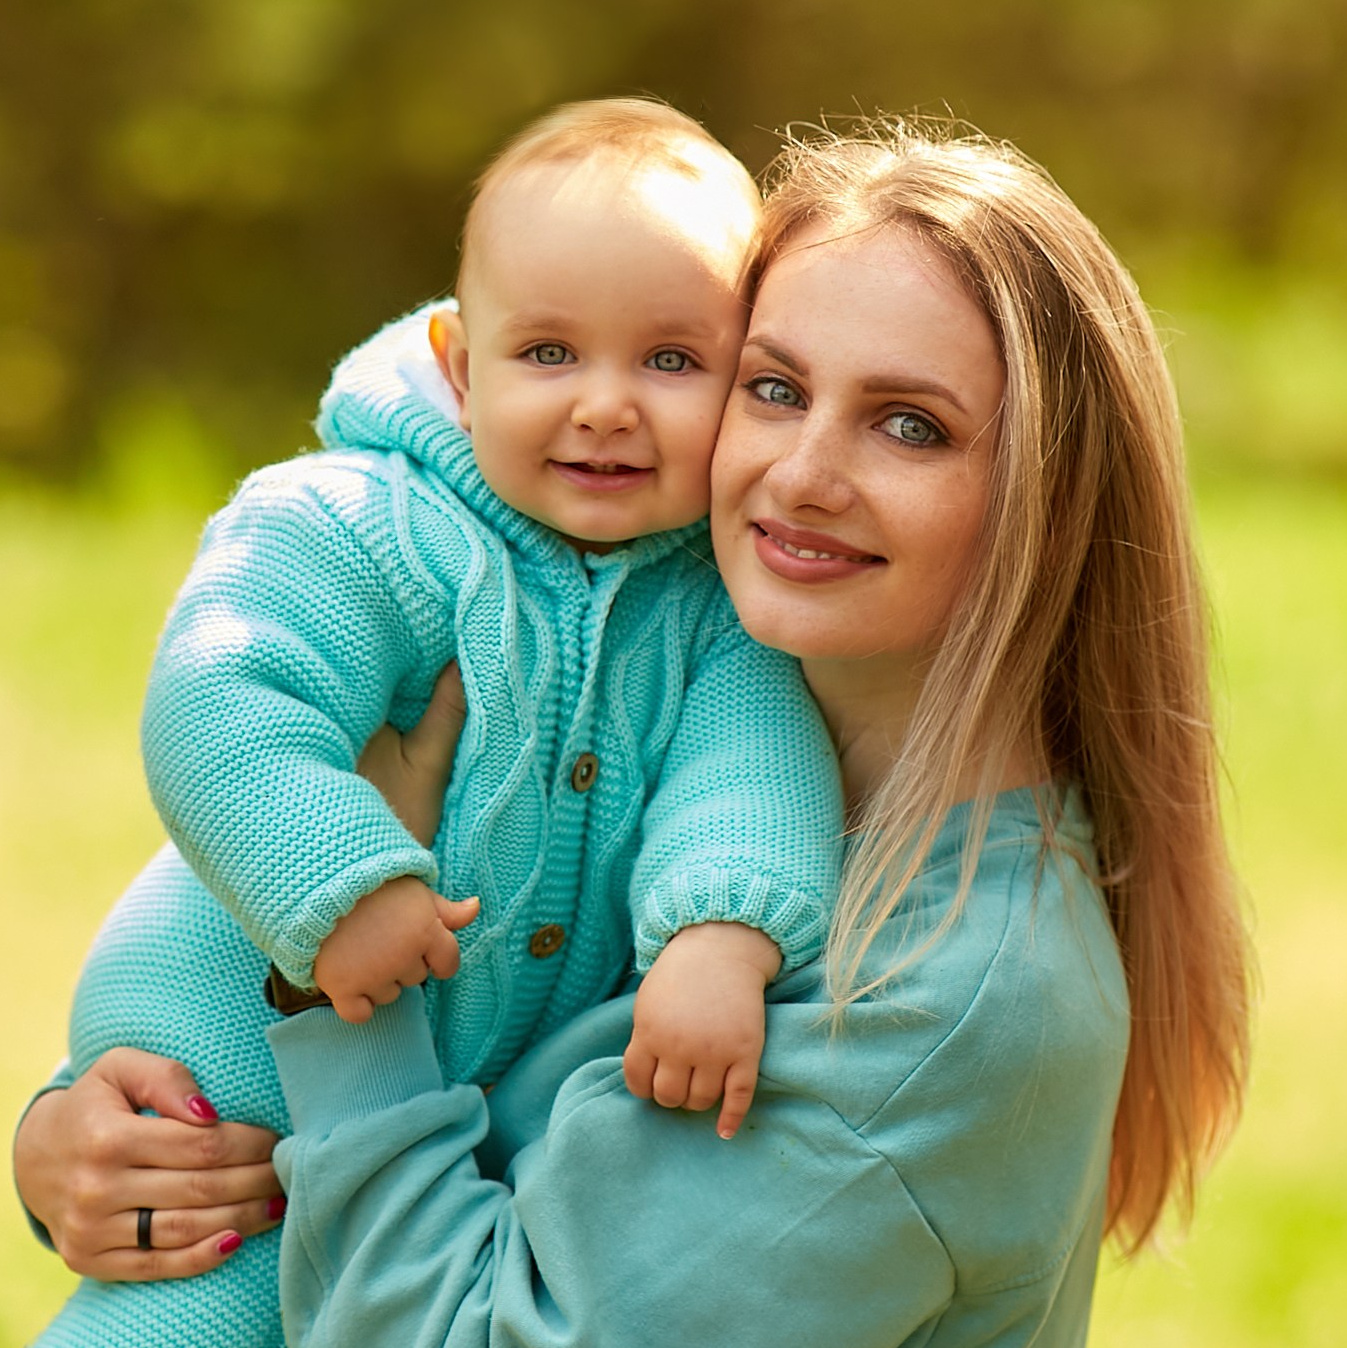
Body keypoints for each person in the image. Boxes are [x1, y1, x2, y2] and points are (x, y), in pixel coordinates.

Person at [17, 115, 1254, 1345]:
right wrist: (104, 1150)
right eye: (775, 388)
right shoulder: (612, 686)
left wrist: (342, 1012)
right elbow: (239, 714)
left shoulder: (942, 994)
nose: (802, 472)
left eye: (910, 424)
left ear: (1050, 500)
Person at [12, 98, 843, 1346]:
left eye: (672, 361)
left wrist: (721, 929)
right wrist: (340, 881)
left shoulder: (715, 604)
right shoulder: (356, 521)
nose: (606, 405)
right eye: (549, 352)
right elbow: (223, 694)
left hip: (444, 1131)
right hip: (229, 1070)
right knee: (190, 1312)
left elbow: (751, 760)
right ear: (459, 366)